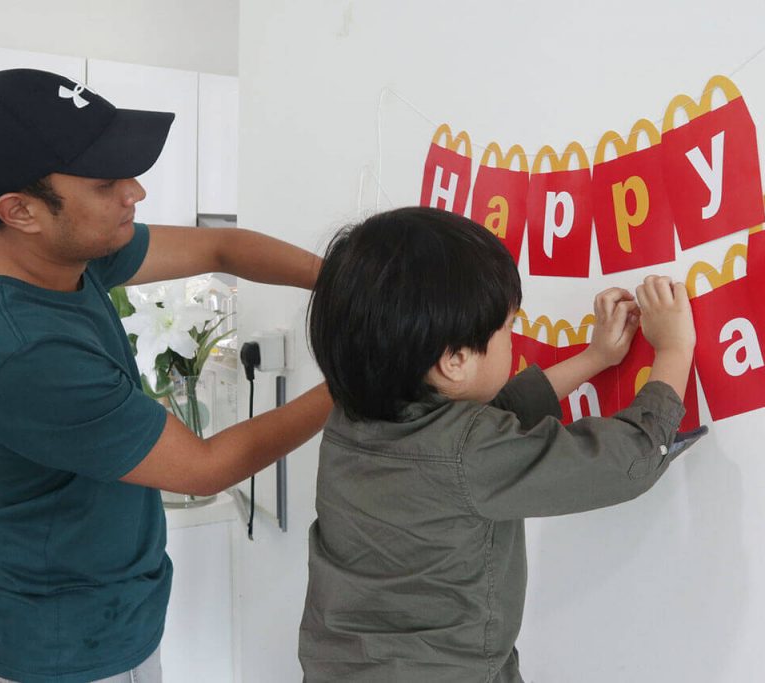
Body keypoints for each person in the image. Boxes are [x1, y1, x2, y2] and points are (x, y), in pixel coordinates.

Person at [0, 68, 332, 683]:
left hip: (117, 617)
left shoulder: (62, 254)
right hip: (56, 651)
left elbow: (223, 249)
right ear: (21, 210)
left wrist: (347, 281)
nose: (135, 192)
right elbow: (203, 466)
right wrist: (359, 377)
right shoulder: (19, 350)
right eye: (106, 182)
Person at [300, 206, 704, 682]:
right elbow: (628, 462)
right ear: (454, 360)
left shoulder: (352, 421)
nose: (513, 340)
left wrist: (596, 358)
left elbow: (485, 424)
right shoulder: (468, 453)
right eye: (508, 329)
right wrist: (675, 349)